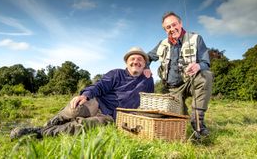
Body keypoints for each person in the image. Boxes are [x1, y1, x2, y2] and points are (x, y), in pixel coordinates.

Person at [10, 47, 154, 139]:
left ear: (144, 64)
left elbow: (150, 102)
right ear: (126, 62)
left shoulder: (148, 81)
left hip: (111, 116)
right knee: (75, 109)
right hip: (98, 103)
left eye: (140, 59)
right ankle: (47, 124)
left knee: (81, 126)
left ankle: (39, 133)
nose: (136, 61)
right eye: (132, 59)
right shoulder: (116, 73)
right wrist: (85, 95)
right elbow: (100, 85)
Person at [144, 11, 213, 139]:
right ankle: (184, 115)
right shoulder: (162, 43)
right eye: (168, 27)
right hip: (171, 89)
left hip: (190, 82)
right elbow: (146, 57)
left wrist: (198, 66)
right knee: (177, 122)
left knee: (206, 75)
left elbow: (205, 63)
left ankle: (198, 123)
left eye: (174, 24)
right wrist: (146, 67)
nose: (172, 29)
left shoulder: (196, 38)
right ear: (165, 30)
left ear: (180, 23)